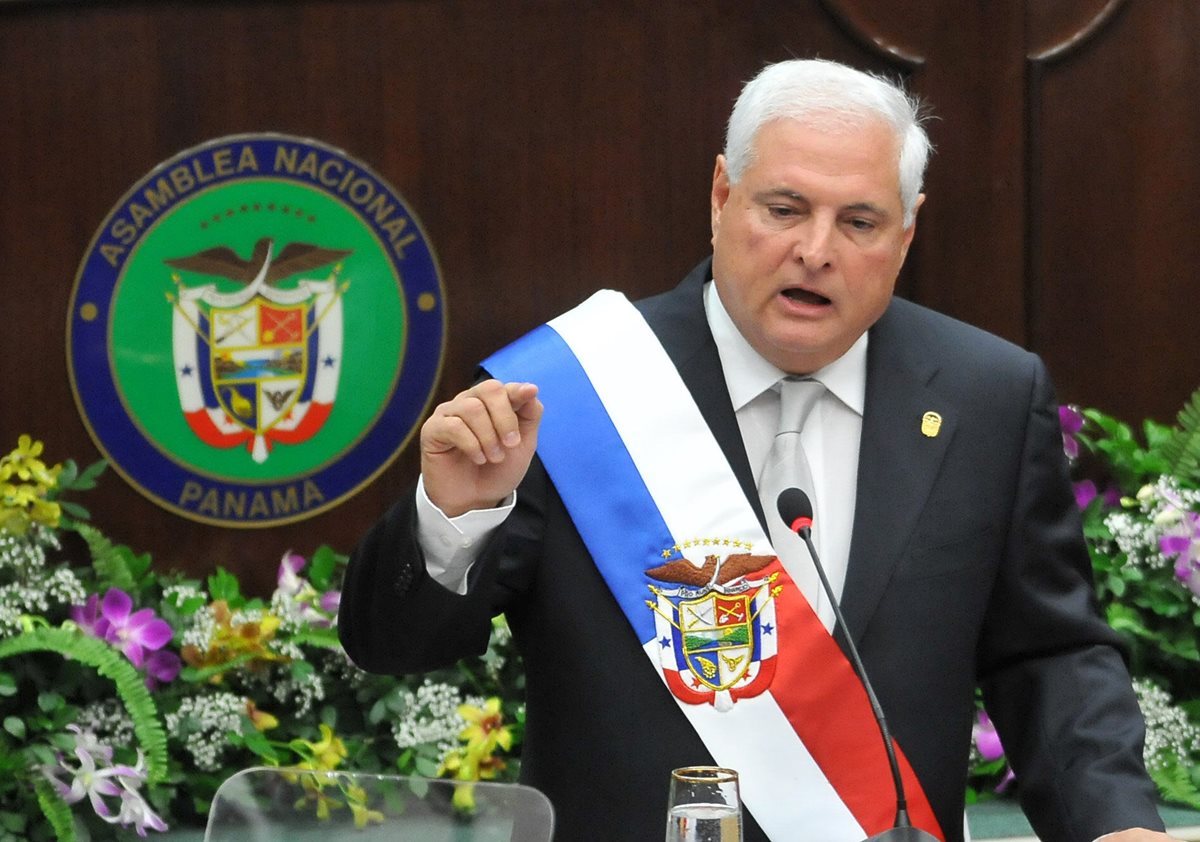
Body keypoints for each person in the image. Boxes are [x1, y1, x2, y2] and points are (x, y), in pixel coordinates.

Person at [339, 59, 1177, 842]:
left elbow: (1048, 651)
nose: (816, 250)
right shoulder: (571, 391)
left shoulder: (985, 394)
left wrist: (1114, 820)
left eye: (859, 221)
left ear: (908, 233)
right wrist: (455, 515)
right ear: (720, 196)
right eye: (784, 209)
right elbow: (396, 648)